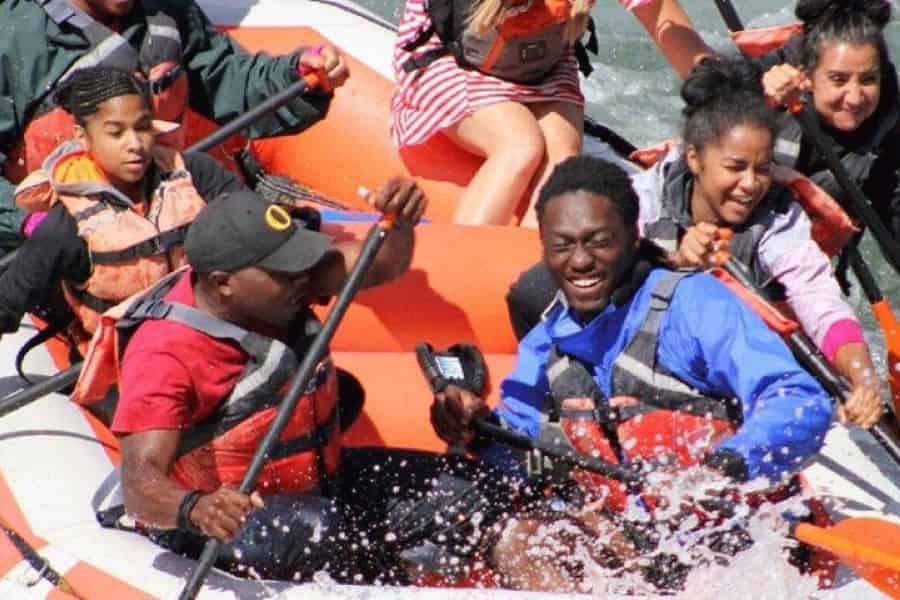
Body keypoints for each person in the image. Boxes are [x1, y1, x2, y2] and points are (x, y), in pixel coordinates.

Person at [98, 184, 615, 590]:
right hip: (226, 521)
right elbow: (140, 485)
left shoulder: (285, 284)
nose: (304, 278)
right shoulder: (165, 353)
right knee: (329, 532)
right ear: (222, 283)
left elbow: (382, 261)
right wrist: (197, 508)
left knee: (482, 490)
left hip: (322, 480)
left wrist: (401, 223)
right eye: (285, 271)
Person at [430, 155, 835, 586]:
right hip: (640, 542)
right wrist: (476, 429)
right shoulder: (545, 342)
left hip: (742, 541)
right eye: (562, 245)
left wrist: (731, 465)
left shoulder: (694, 304)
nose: (579, 261)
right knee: (520, 541)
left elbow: (799, 399)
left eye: (599, 242)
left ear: (632, 236)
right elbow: (519, 449)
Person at [505, 56, 884, 429]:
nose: (750, 184)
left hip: (725, 356)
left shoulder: (780, 218)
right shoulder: (645, 194)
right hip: (630, 332)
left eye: (762, 168)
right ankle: (556, 406)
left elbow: (820, 302)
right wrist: (673, 262)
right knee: (531, 290)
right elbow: (594, 265)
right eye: (735, 167)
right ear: (694, 158)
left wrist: (862, 376)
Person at [0, 0, 348, 252]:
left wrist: (295, 75)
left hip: (185, 219)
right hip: (76, 249)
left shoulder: (168, 10)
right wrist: (30, 223)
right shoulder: (12, 35)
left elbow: (227, 77)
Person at [390, 0, 710, 227]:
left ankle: (530, 275)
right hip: (450, 57)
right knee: (520, 146)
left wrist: (722, 102)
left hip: (542, 66)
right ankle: (463, 264)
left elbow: (668, 26)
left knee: (562, 159)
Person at [0, 66, 249, 356]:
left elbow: (253, 225)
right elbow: (7, 302)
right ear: (83, 137)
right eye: (115, 133)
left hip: (214, 337)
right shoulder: (65, 227)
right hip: (130, 362)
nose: (135, 145)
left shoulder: (195, 173)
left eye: (142, 127)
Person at [759, 0, 900, 240]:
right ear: (807, 75)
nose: (854, 98)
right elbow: (702, 88)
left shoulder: (888, 129)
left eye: (868, 80)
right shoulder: (765, 82)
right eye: (838, 80)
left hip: (804, 253)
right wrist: (760, 101)